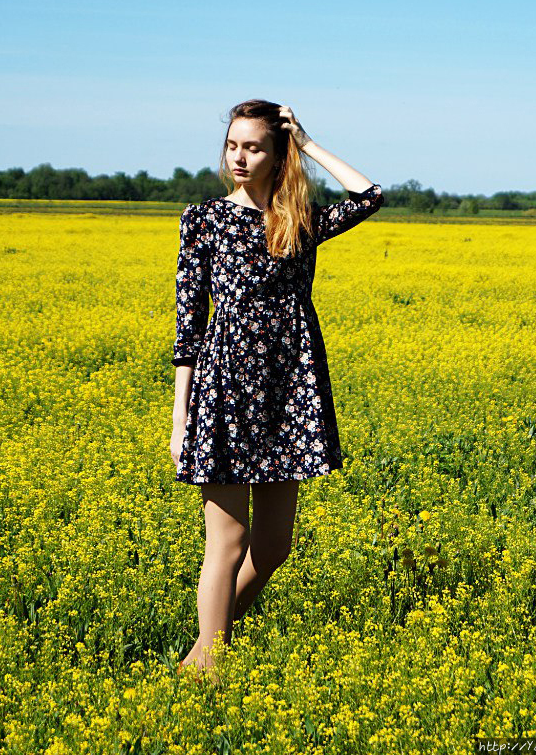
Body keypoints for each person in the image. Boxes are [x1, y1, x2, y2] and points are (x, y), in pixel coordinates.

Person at [170, 98, 384, 680]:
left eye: (254, 147)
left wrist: (308, 143)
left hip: (289, 389)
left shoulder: (299, 220)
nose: (240, 157)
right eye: (232, 145)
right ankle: (210, 662)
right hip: (224, 389)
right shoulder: (204, 219)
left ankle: (199, 650)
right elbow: (188, 326)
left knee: (274, 545)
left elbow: (370, 197)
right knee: (228, 539)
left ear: (276, 153)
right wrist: (179, 417)